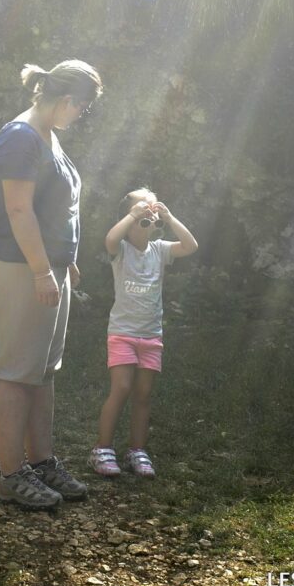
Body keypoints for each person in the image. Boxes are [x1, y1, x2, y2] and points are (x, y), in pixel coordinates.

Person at [0, 58, 103, 509]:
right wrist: (39, 269)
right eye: (82, 108)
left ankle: (42, 462)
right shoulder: (20, 137)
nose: (81, 116)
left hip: (45, 265)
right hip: (18, 265)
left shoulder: (47, 133)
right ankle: (11, 476)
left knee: (43, 370)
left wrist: (62, 261)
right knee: (17, 372)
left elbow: (57, 206)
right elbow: (18, 211)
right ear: (69, 100)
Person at [89, 188, 198, 479]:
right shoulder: (121, 250)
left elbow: (190, 246)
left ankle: (137, 450)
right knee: (122, 388)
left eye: (150, 209)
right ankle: (102, 448)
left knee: (143, 394)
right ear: (129, 216)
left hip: (151, 336)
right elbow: (110, 239)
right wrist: (132, 214)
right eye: (141, 211)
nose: (147, 214)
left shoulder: (160, 249)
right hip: (123, 333)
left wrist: (170, 218)